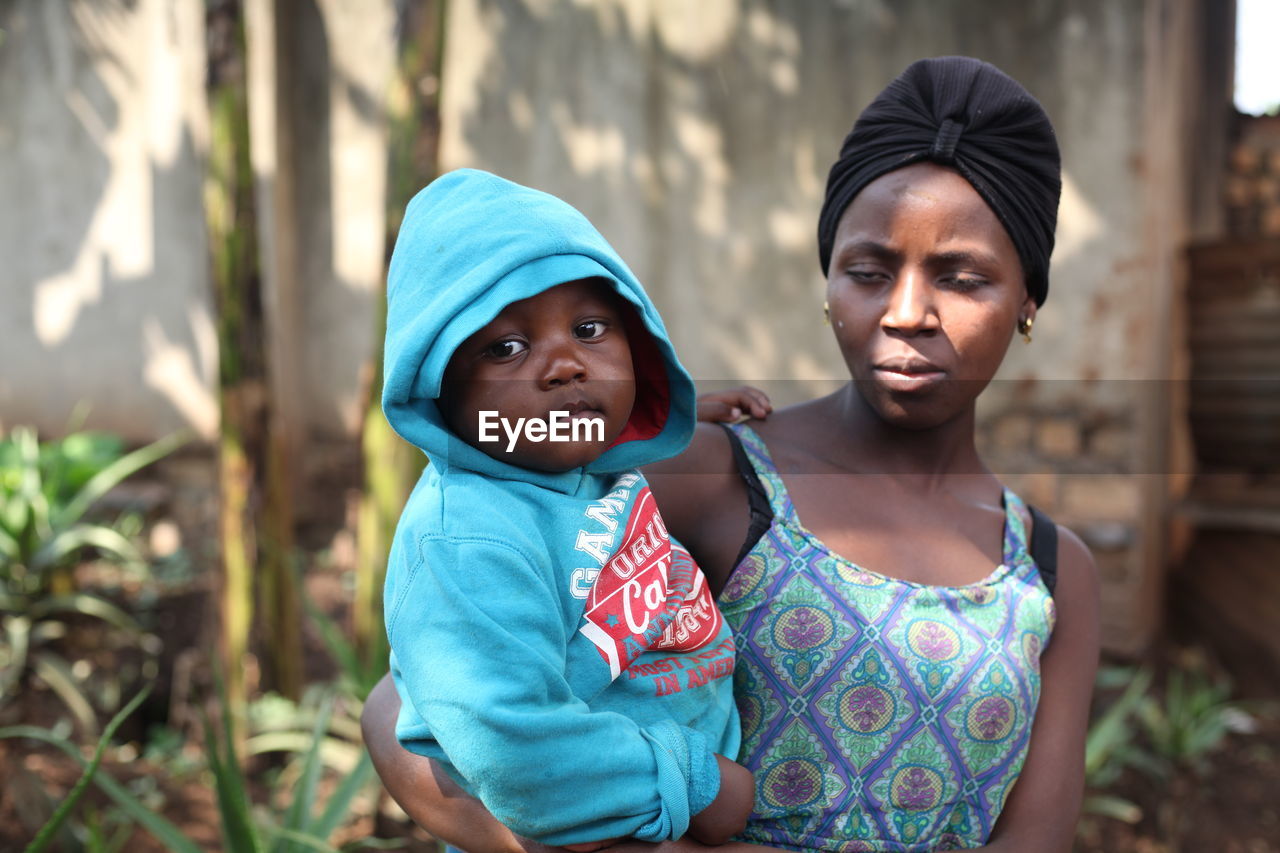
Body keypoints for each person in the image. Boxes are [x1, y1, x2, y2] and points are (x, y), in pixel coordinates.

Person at [363, 56, 1100, 853]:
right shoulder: (709, 478)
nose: (907, 312)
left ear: (1028, 298)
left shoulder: (1051, 570)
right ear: (829, 281)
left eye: (962, 278)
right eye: (869, 271)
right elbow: (418, 710)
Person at [378, 168, 756, 849]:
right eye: (506, 347)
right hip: (621, 821)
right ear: (437, 386)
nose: (564, 366)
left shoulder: (577, 467)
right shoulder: (470, 538)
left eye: (589, 328)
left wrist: (699, 416)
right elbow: (515, 744)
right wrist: (694, 781)